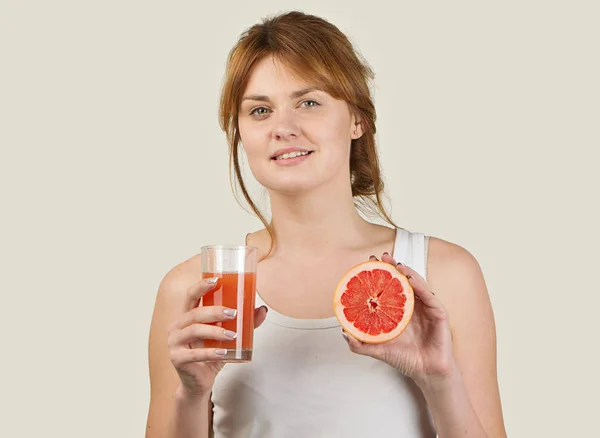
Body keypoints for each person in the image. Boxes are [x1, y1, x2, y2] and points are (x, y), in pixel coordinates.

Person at [145, 11, 507, 438]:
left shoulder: (445, 274)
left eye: (309, 103)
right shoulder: (198, 288)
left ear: (357, 120)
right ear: (241, 133)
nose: (283, 128)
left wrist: (439, 381)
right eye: (260, 110)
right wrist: (191, 393)